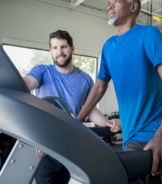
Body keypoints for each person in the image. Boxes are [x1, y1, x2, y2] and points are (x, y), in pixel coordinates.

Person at [77, 0, 162, 184]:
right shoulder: (108, 46)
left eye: (116, 2)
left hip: (148, 133)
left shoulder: (148, 34)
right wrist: (77, 119)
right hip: (128, 134)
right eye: (109, 3)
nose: (109, 6)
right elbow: (99, 87)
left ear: (133, 7)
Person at [23, 30, 121, 184]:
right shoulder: (42, 71)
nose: (59, 52)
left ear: (72, 49)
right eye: (54, 48)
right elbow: (27, 84)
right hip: (45, 147)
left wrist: (106, 122)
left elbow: (91, 109)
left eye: (63, 47)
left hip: (73, 147)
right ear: (50, 50)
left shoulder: (85, 79)